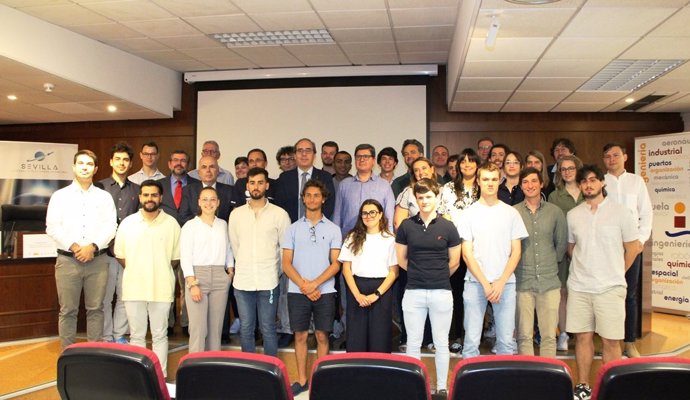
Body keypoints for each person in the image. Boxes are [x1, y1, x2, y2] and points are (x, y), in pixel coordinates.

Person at [567, 165, 640, 400]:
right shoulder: (573, 215)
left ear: (602, 183)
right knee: (582, 337)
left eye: (593, 180)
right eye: (584, 182)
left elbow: (632, 248)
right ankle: (583, 385)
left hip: (610, 287)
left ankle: (613, 387)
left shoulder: (621, 212)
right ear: (579, 186)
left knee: (611, 340)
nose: (588, 185)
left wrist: (617, 270)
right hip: (579, 286)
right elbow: (571, 248)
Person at [396, 178, 461, 396]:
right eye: (420, 197)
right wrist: (419, 275)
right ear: (415, 199)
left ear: (437, 198)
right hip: (413, 292)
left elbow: (455, 262)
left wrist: (437, 276)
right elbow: (401, 259)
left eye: (428, 197)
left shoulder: (448, 226)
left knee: (442, 343)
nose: (424, 201)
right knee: (413, 343)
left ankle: (442, 388)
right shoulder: (406, 226)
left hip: (441, 292)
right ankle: (414, 387)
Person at [46, 150, 117, 349]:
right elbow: (52, 226)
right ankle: (68, 355)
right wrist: (76, 247)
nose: (85, 167)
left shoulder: (104, 197)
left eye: (89, 164)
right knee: (68, 311)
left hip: (97, 260)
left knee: (96, 309)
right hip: (68, 260)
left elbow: (111, 227)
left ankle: (93, 354)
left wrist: (92, 247)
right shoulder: (59, 196)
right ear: (74, 167)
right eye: (81, 163)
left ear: (95, 169)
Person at [458, 162, 528, 359]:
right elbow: (467, 254)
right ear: (478, 181)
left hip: (504, 284)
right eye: (486, 179)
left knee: (506, 342)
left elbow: (516, 253)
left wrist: (500, 282)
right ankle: (468, 388)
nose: (490, 183)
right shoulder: (469, 213)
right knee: (471, 341)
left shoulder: (511, 213)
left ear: (500, 181)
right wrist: (485, 284)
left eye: (494, 179)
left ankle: (503, 388)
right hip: (475, 284)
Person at [274, 138, 337, 347]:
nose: (303, 154)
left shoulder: (325, 177)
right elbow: (281, 211)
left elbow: (328, 209)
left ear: (314, 154)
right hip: (293, 238)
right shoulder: (284, 179)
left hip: (318, 239)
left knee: (321, 333)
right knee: (287, 288)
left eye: (307, 150)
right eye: (299, 151)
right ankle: (285, 328)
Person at [114, 179, 181, 377]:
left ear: (160, 198)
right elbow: (121, 256)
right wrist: (139, 270)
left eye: (154, 195)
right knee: (137, 336)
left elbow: (175, 259)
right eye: (146, 195)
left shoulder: (172, 224)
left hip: (161, 288)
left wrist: (157, 270)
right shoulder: (128, 223)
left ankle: (160, 377)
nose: (149, 199)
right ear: (139, 197)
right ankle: (138, 377)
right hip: (134, 288)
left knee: (160, 335)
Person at [281, 179, 341, 396]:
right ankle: (302, 380)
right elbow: (286, 263)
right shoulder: (293, 229)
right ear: (303, 198)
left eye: (317, 195)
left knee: (323, 336)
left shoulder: (334, 229)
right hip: (298, 292)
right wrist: (304, 286)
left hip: (324, 291)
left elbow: (336, 263)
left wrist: (314, 284)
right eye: (309, 195)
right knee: (300, 336)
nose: (312, 199)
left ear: (323, 199)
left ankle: (320, 381)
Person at [228, 167, 291, 357]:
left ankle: (271, 372)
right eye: (252, 182)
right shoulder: (236, 214)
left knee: (268, 329)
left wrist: (275, 271)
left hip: (269, 280)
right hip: (243, 281)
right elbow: (235, 246)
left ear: (267, 185)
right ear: (247, 185)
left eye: (260, 182)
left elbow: (284, 248)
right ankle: (250, 371)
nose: (256, 187)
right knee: (246, 329)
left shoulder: (279, 214)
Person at [603, 143, 652, 358]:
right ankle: (607, 340)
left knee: (629, 294)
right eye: (607, 156)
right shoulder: (601, 182)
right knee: (606, 294)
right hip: (606, 248)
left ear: (625, 156)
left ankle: (629, 342)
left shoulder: (636, 181)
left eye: (615, 155)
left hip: (631, 246)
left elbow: (646, 213)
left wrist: (640, 240)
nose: (612, 159)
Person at [513, 167, 567, 358]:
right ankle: (528, 377)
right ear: (521, 186)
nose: (530, 185)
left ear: (541, 183)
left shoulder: (555, 212)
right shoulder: (513, 212)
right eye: (525, 182)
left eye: (534, 181)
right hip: (522, 282)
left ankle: (547, 378)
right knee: (524, 336)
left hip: (549, 282)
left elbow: (561, 245)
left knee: (549, 336)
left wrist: (549, 263)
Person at [437, 148, 481, 354]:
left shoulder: (484, 188)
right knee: (454, 294)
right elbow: (442, 214)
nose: (466, 165)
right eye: (463, 162)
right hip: (454, 247)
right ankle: (455, 336)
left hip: (479, 249)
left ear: (477, 165)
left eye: (471, 161)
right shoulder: (448, 188)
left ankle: (473, 338)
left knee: (475, 296)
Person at [180, 186, 234, 353]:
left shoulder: (223, 224)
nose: (208, 203)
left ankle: (212, 370)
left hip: (220, 277)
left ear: (218, 202)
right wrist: (192, 283)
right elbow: (185, 257)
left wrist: (230, 271)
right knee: (198, 329)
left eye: (212, 199)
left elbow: (229, 249)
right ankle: (195, 372)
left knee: (215, 329)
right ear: (199, 202)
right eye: (205, 199)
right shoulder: (190, 226)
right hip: (198, 277)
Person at [340, 199, 398, 353]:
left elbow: (394, 272)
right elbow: (346, 269)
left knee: (380, 337)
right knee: (356, 337)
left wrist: (376, 294)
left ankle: (380, 376)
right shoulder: (352, 237)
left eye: (372, 212)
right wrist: (357, 295)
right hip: (356, 289)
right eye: (364, 213)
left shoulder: (390, 239)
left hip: (381, 290)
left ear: (380, 215)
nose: (368, 216)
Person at [96, 142, 140, 344]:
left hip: (128, 254)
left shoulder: (138, 190)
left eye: (125, 160)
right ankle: (106, 336)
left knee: (125, 296)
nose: (122, 163)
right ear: (110, 162)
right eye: (118, 159)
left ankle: (119, 334)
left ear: (131, 164)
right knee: (104, 297)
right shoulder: (100, 188)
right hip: (103, 251)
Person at [548, 154, 584, 352]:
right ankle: (563, 332)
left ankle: (580, 333)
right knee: (562, 293)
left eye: (571, 168)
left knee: (580, 293)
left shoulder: (588, 190)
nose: (567, 172)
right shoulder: (555, 195)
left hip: (587, 252)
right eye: (563, 169)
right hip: (563, 251)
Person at [179, 156, 236, 223]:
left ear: (218, 171)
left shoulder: (230, 191)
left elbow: (233, 218)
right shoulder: (188, 190)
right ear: (199, 172)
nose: (208, 170)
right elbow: (183, 216)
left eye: (212, 167)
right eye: (204, 167)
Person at [393, 157, 436, 230]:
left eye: (424, 168)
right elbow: (398, 223)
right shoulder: (408, 192)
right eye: (416, 170)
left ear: (432, 169)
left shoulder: (443, 191)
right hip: (413, 237)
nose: (421, 172)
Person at [158, 150, 197, 225]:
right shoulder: (158, 185)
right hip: (165, 229)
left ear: (188, 165)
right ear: (169, 164)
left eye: (183, 160)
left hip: (189, 230)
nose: (179, 163)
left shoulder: (198, 185)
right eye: (175, 160)